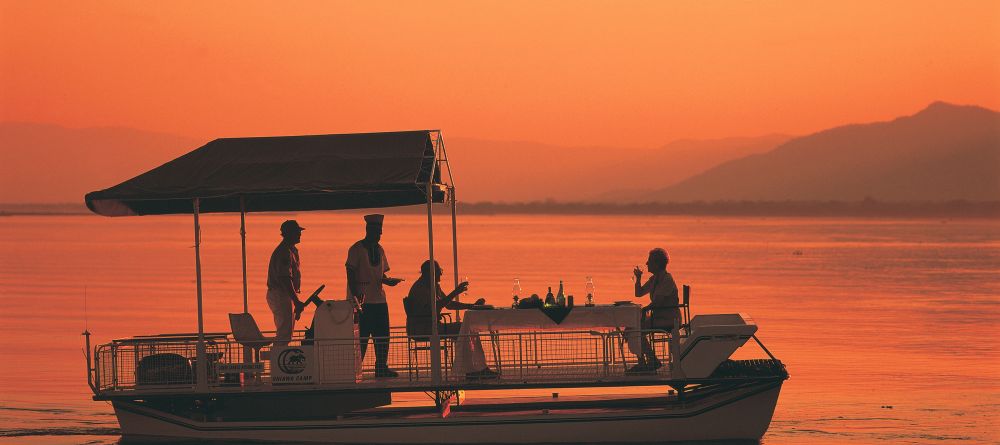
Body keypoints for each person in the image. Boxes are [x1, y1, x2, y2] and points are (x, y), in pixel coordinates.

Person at [404, 260, 497, 379]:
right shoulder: (420, 288)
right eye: (439, 271)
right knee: (463, 328)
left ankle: (476, 368)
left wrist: (471, 306)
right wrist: (455, 292)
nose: (441, 274)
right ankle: (473, 370)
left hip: (432, 325)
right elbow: (435, 307)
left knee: (466, 328)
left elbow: (449, 304)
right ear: (429, 273)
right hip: (423, 328)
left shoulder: (434, 286)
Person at [346, 214, 404, 378]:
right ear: (368, 230)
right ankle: (356, 369)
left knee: (383, 336)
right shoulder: (356, 249)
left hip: (379, 299)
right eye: (376, 232)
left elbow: (381, 274)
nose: (379, 235)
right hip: (362, 302)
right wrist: (355, 297)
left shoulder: (380, 249)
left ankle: (381, 367)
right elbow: (350, 274)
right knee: (361, 337)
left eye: (380, 232)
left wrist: (388, 281)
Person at [629, 247, 680, 374]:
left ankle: (650, 361)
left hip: (668, 319)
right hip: (658, 317)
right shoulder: (655, 279)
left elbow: (658, 302)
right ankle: (645, 361)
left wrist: (645, 309)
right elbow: (639, 293)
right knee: (632, 328)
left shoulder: (667, 280)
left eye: (649, 261)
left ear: (657, 264)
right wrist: (638, 278)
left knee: (636, 329)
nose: (646, 263)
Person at [266, 220, 307, 347]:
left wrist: (295, 300)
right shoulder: (284, 252)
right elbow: (285, 278)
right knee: (284, 333)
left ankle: (279, 355)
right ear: (289, 234)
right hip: (280, 294)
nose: (300, 234)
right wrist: (296, 300)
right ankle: (278, 357)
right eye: (297, 232)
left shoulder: (291, 250)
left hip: (285, 294)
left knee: (286, 332)